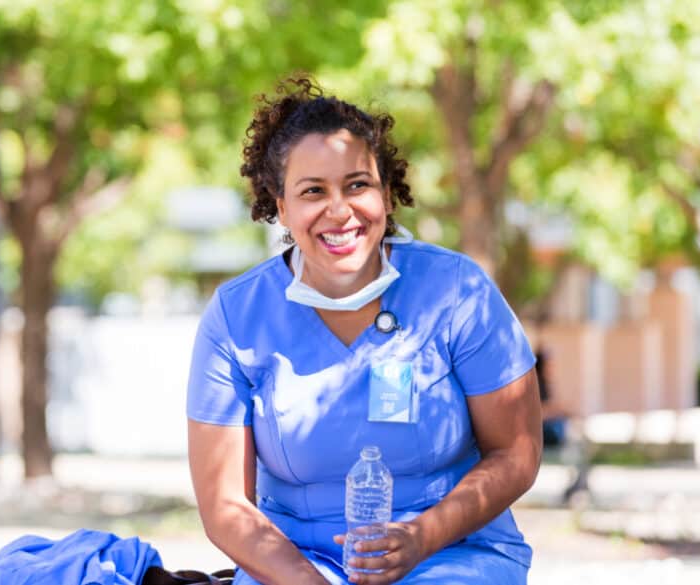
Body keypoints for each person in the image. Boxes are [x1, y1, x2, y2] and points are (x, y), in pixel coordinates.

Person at [185, 76, 542, 585]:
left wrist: (422, 536)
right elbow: (225, 504)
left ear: (387, 194)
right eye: (313, 192)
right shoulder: (236, 317)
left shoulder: (457, 292)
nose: (340, 210)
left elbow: (517, 450)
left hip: (452, 552)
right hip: (294, 563)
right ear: (281, 207)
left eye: (357, 185)